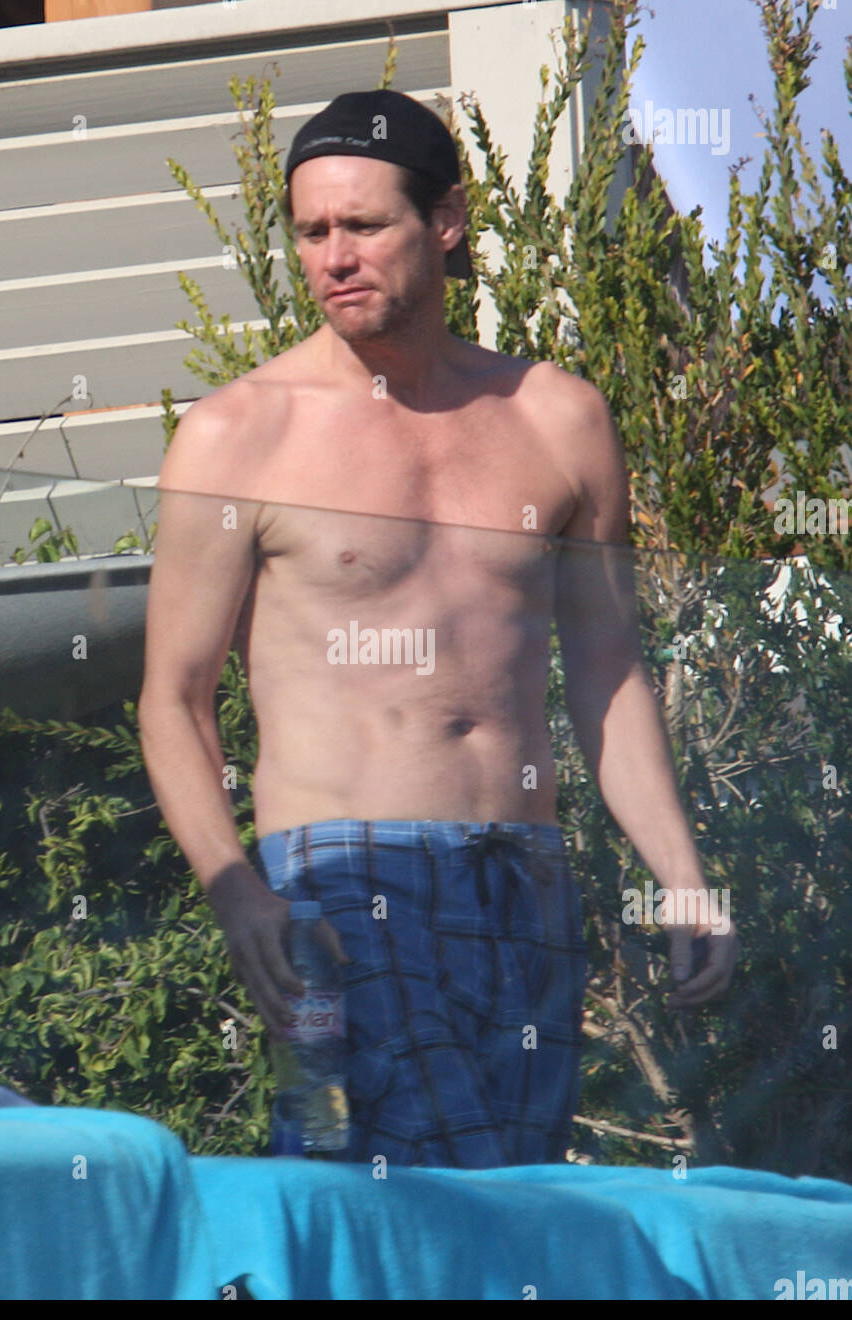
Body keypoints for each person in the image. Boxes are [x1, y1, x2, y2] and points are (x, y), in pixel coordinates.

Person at [138, 90, 737, 1168]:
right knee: (376, 1215)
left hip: (524, 874)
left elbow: (608, 675)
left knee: (511, 1207)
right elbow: (172, 699)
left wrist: (680, 872)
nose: (334, 257)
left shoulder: (557, 417)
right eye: (313, 232)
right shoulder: (239, 434)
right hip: (337, 878)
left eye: (363, 225)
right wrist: (238, 894)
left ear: (447, 221)